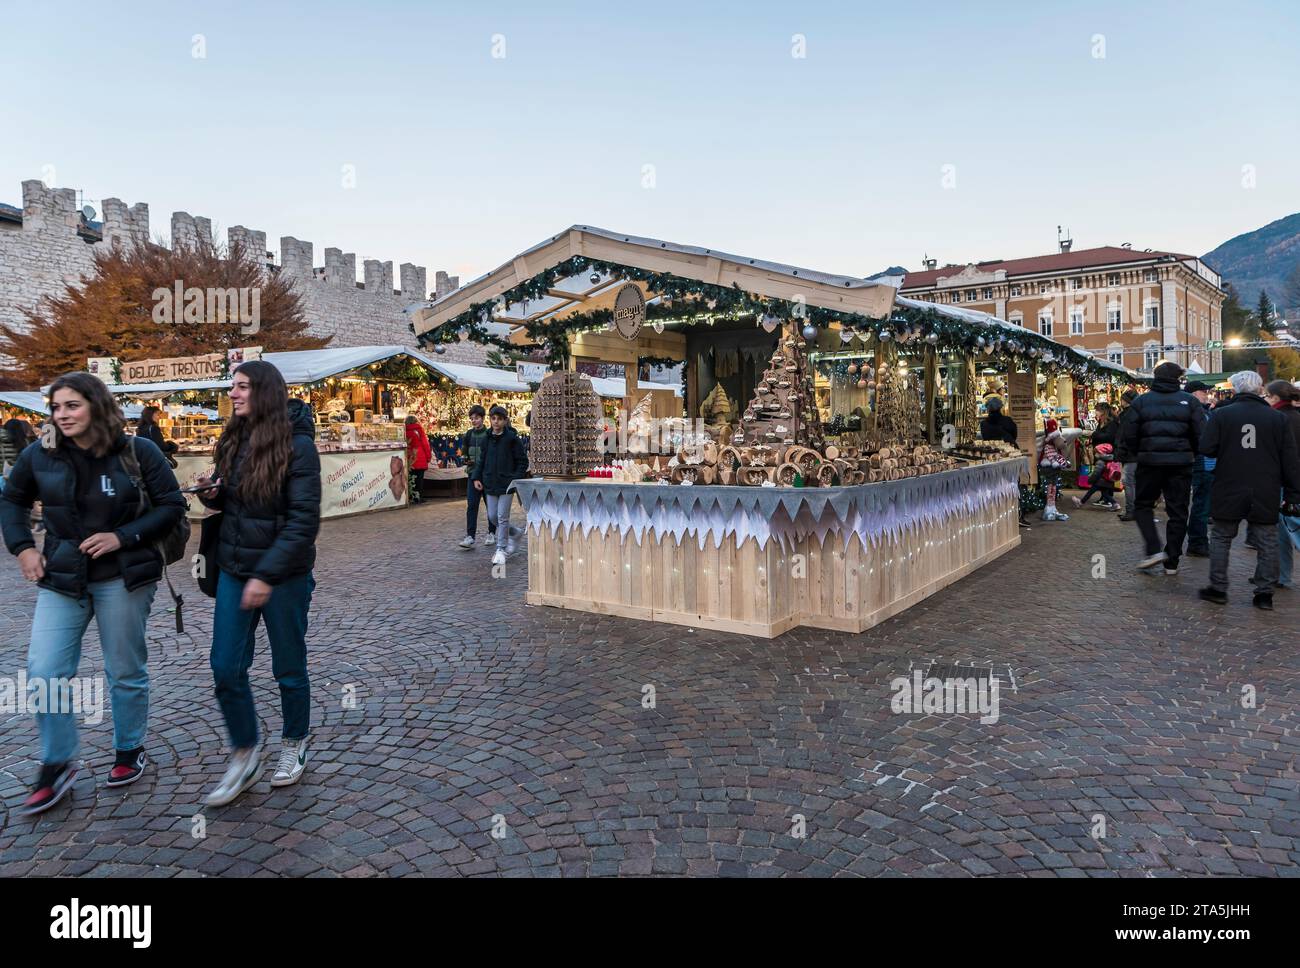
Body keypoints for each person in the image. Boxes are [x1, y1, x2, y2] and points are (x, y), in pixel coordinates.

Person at [0, 372, 186, 816]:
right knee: (44, 670)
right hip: (62, 578)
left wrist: (122, 537)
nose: (61, 415)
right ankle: (57, 762)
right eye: (56, 408)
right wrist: (23, 547)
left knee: (123, 668)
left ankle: (129, 749)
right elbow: (12, 500)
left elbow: (172, 506)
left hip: (122, 576)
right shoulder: (39, 453)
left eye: (71, 406)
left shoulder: (137, 451)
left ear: (96, 406)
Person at [195, 361, 321, 806]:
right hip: (233, 568)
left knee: (288, 666)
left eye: (242, 387)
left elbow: (303, 521)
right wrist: (215, 492)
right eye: (233, 386)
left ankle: (294, 742)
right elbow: (238, 501)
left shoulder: (298, 446)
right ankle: (246, 752)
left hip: (283, 576)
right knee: (225, 665)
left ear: (265, 391)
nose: (233, 393)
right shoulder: (233, 437)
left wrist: (267, 575)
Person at [1197, 371, 1300, 609]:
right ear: (1260, 389)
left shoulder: (1222, 415)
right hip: (1265, 486)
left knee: (1222, 537)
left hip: (1229, 484)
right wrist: (1294, 493)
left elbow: (1207, 448)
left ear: (1235, 390)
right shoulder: (1277, 418)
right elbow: (1290, 460)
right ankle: (1264, 594)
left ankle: (1218, 588)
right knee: (1267, 541)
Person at [1122, 361, 1203, 575]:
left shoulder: (1141, 402)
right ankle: (1172, 559)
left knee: (1143, 505)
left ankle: (1154, 549)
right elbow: (1200, 434)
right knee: (1178, 511)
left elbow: (1129, 433)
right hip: (1181, 464)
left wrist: (1139, 451)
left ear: (1155, 377)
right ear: (1178, 379)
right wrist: (1191, 452)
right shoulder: (1190, 401)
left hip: (1150, 463)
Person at [471, 404, 529, 566]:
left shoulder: (512, 439)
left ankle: (501, 548)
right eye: (493, 418)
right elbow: (481, 460)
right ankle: (515, 532)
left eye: (499, 419)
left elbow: (522, 461)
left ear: (505, 421)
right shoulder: (486, 439)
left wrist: (515, 478)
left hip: (506, 484)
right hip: (490, 483)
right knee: (492, 517)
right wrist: (477, 477)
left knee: (502, 517)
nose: (495, 422)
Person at [1265, 379, 1300, 588]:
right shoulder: (1296, 417)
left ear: (1276, 398)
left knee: (1283, 530)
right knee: (1285, 530)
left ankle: (1282, 575)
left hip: (1283, 480)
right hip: (1291, 480)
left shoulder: (1277, 419)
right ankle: (1281, 575)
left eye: (1268, 396)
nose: (1266, 400)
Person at [1183, 381, 1216, 557]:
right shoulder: (1196, 412)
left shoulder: (1205, 411)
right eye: (1203, 391)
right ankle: (1197, 541)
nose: (1206, 394)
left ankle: (1198, 540)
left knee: (1202, 504)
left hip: (1207, 463)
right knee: (1201, 505)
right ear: (1194, 394)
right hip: (1201, 462)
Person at [458, 405, 495, 549]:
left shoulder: (488, 434)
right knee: (472, 505)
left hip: (486, 475)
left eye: (476, 418)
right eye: (472, 419)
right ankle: (470, 536)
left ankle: (491, 533)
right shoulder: (468, 434)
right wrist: (466, 459)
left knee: (490, 506)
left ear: (483, 418)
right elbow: (464, 451)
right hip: (473, 474)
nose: (474, 421)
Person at [1036, 419, 1071, 522]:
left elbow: (1056, 455)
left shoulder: (1054, 446)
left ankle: (1052, 506)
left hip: (1053, 467)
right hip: (1049, 467)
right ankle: (1049, 507)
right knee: (1050, 486)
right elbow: (1051, 456)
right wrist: (1055, 462)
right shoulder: (1048, 446)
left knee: (1053, 487)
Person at [1114, 389, 1140, 520]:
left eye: (1122, 399)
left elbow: (1127, 435)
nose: (1120, 401)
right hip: (1131, 452)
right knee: (1131, 481)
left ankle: (1131, 511)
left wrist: (1122, 448)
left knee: (1128, 481)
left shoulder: (1129, 414)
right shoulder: (1133, 412)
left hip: (1130, 453)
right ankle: (1133, 509)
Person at [404, 415, 431, 505]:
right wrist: (428, 457)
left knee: (411, 478)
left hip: (409, 458)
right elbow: (425, 444)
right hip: (420, 456)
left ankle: (411, 496)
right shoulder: (419, 430)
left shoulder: (404, 430)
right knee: (419, 479)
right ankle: (419, 497)